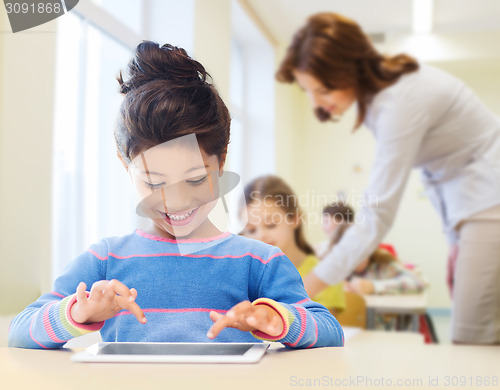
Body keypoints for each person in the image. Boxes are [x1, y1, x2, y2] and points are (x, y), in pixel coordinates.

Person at [8, 41, 343, 349]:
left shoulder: (259, 262)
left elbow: (330, 330)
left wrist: (277, 320)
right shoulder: (107, 260)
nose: (176, 202)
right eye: (154, 184)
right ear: (125, 165)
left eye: (195, 180)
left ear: (221, 160)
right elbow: (20, 330)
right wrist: (78, 313)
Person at [276, 12, 500, 344]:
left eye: (322, 89)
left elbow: (376, 214)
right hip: (474, 204)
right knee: (475, 330)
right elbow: (441, 171)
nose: (316, 102)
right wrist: (456, 239)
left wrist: (304, 289)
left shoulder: (400, 101)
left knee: (472, 336)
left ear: (350, 68)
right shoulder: (381, 101)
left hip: (489, 198)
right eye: (308, 91)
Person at [241, 175, 345, 313]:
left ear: (295, 219)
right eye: (251, 229)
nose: (261, 235)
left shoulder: (325, 274)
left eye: (271, 225)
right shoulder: (243, 275)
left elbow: (324, 331)